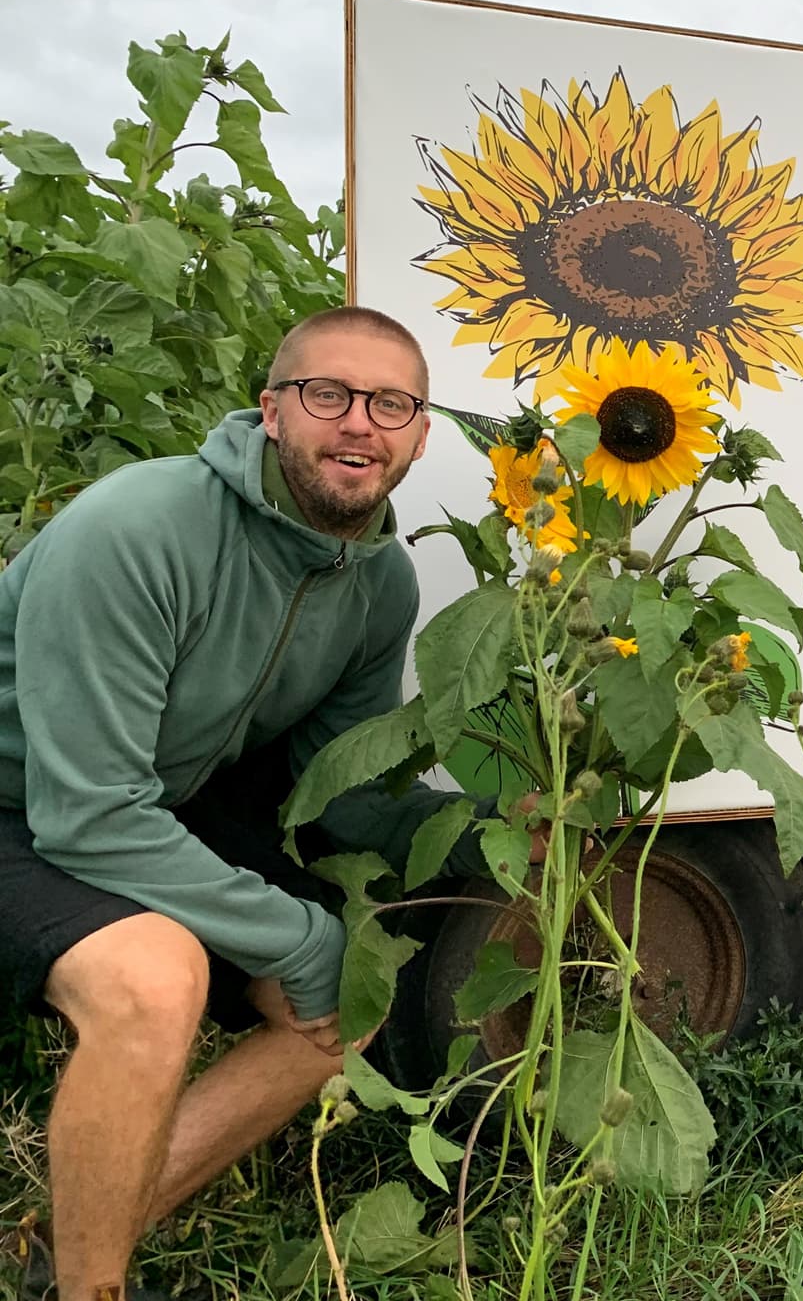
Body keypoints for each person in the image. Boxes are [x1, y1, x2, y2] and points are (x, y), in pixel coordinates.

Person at [0, 306, 491, 1301]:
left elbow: (334, 793)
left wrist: (491, 837)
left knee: (346, 988)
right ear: (271, 411)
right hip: (28, 799)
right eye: (328, 395)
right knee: (156, 980)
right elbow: (85, 811)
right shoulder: (140, 529)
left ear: (420, 434)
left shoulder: (377, 582)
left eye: (390, 404)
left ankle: (65, 1250)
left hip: (149, 798)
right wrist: (292, 938)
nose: (359, 423)